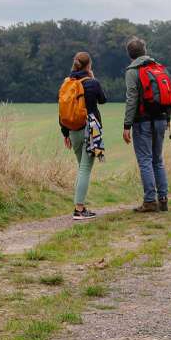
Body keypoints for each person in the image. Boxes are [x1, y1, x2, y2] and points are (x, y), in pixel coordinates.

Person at [122, 36, 171, 213]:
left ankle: (150, 201)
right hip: (160, 119)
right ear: (145, 50)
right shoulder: (159, 68)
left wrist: (127, 125)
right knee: (158, 160)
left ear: (129, 54)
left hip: (142, 122)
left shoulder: (132, 71)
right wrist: (167, 119)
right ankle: (163, 199)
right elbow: (169, 95)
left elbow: (131, 100)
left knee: (145, 160)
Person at [59, 52, 107, 220]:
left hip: (72, 130)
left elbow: (62, 110)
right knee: (85, 169)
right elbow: (103, 100)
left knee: (82, 168)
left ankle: (81, 207)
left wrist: (65, 133)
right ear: (89, 65)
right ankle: (79, 209)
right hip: (89, 130)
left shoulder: (67, 83)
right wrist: (93, 79)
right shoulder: (92, 83)